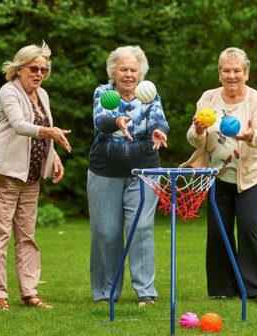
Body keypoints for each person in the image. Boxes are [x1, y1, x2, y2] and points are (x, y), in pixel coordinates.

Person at [0, 41, 72, 310]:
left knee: (27, 237)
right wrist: (50, 133)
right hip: (4, 173)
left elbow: (43, 128)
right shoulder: (8, 92)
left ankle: (29, 293)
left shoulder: (43, 95)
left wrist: (54, 157)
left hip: (30, 177)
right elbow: (19, 126)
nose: (39, 74)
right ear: (20, 68)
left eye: (44, 69)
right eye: (34, 68)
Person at [181, 47, 257, 303]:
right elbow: (193, 139)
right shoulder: (208, 98)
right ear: (219, 73)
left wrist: (250, 136)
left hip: (251, 177)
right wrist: (198, 129)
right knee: (218, 230)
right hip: (216, 175)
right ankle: (223, 288)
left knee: (249, 228)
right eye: (226, 70)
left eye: (237, 70)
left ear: (247, 73)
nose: (232, 75)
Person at [87, 45, 169, 307]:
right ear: (113, 71)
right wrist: (117, 122)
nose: (129, 74)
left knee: (141, 229)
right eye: (123, 69)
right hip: (105, 171)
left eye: (134, 69)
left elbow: (158, 118)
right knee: (106, 232)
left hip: (144, 171)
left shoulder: (149, 94)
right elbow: (101, 119)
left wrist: (158, 130)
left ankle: (145, 291)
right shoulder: (104, 92)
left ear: (141, 72)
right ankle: (105, 293)